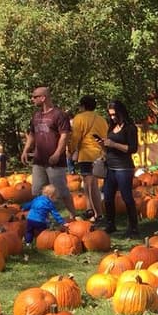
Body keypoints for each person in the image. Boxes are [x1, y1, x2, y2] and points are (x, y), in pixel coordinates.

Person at [22, 85, 79, 217]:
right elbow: (32, 134)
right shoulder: (36, 115)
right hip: (39, 160)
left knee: (62, 191)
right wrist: (26, 150)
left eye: (35, 96)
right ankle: (42, 218)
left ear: (43, 98)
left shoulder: (59, 115)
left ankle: (74, 216)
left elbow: (64, 135)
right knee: (37, 191)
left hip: (55, 161)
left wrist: (57, 154)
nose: (32, 99)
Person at [99, 100, 140, 237]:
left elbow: (132, 149)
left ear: (121, 112)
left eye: (114, 114)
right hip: (110, 166)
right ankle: (111, 223)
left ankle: (133, 226)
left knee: (126, 196)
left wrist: (114, 144)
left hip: (124, 167)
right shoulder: (112, 127)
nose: (112, 117)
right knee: (108, 197)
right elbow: (109, 146)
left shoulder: (130, 128)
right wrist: (103, 145)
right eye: (110, 115)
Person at [69, 95, 108, 221]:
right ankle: (91, 210)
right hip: (99, 154)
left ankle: (95, 212)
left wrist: (71, 150)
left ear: (83, 106)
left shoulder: (79, 118)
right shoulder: (102, 119)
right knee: (90, 183)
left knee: (90, 184)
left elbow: (75, 137)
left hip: (86, 154)